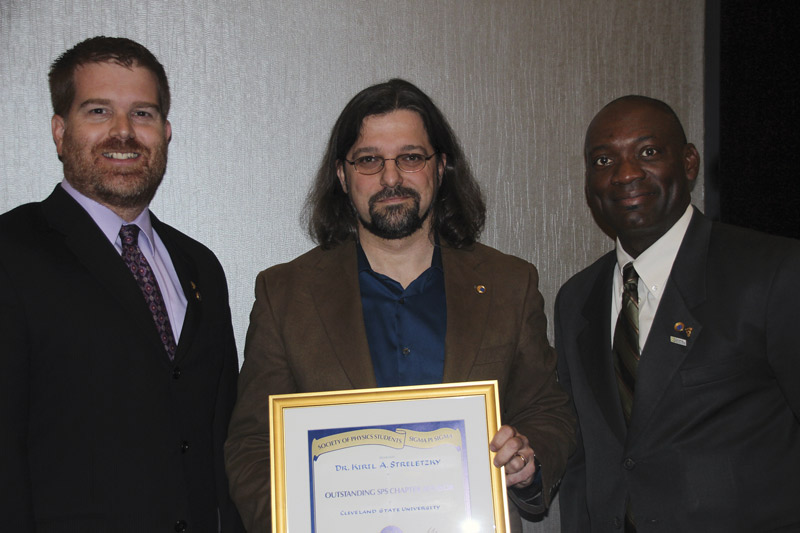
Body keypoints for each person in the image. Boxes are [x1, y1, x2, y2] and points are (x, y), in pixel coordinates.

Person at [224, 78, 575, 532]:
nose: (391, 178)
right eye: (369, 160)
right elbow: (252, 445)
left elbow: (548, 410)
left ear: (441, 166)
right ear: (341, 174)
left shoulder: (510, 284)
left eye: (411, 158)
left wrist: (529, 460)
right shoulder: (284, 294)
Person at [0, 36, 243, 532]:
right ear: (59, 130)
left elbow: (224, 440)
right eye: (98, 111)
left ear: (166, 132)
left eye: (143, 114)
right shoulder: (11, 252)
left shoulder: (201, 267)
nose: (123, 132)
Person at [555, 95, 800, 532]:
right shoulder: (577, 300)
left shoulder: (772, 272)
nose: (626, 173)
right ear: (589, 183)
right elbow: (584, 459)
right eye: (604, 159)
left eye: (648, 152)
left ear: (689, 163)